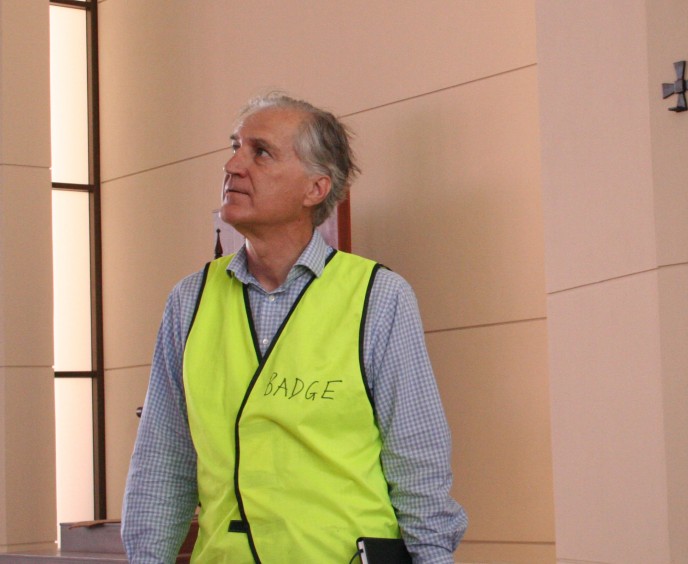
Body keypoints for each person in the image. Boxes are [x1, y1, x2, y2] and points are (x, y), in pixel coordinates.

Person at [122, 93, 467, 563]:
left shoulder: (379, 298)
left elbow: (418, 468)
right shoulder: (189, 301)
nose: (232, 164)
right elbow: (163, 465)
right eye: (235, 146)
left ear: (315, 188)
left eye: (259, 152)